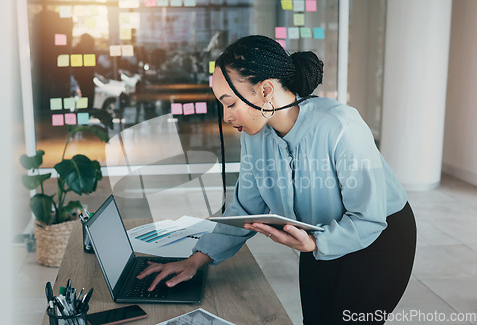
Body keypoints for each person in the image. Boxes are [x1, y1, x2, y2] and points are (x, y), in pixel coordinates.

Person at [137, 35, 416, 324]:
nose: (226, 116)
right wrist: (197, 259)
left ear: (266, 90)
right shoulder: (255, 137)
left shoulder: (340, 126)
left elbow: (369, 217)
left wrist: (315, 244)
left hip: (380, 238)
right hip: (315, 238)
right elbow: (245, 208)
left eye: (230, 103)